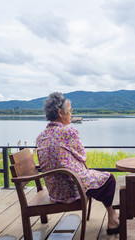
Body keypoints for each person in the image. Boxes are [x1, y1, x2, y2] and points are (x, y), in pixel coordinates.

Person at [36, 92, 119, 234]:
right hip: (71, 187)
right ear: (60, 113)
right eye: (70, 111)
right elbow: (83, 156)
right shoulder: (69, 132)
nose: (71, 114)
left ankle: (113, 216)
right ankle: (113, 220)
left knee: (99, 180)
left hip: (55, 190)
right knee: (109, 179)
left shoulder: (41, 136)